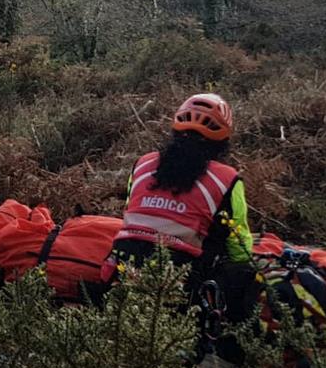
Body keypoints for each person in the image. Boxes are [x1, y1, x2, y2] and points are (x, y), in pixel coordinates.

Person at [102, 94, 257, 331]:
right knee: (244, 273)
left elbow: (129, 208)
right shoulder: (227, 179)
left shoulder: (143, 163)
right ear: (222, 141)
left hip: (122, 265)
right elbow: (239, 245)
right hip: (180, 278)